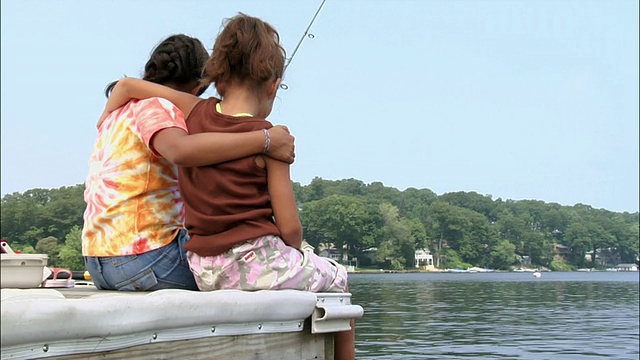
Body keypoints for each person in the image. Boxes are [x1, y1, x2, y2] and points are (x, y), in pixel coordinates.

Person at [100, 14, 356, 359]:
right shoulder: (271, 138)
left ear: (217, 78)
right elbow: (291, 229)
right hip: (258, 265)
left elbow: (130, 86)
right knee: (338, 279)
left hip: (204, 270)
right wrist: (296, 253)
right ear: (273, 85)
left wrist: (111, 104)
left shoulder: (192, 112)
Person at [83, 34, 296, 292]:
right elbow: (180, 150)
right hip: (144, 260)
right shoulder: (157, 106)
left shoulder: (120, 111)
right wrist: (265, 139)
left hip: (98, 262)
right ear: (197, 88)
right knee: (232, 264)